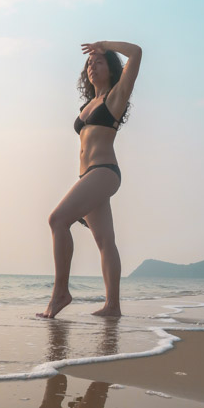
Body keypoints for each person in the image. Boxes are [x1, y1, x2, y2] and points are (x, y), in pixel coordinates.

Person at [36, 40, 142, 319]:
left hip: (104, 171)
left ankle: (61, 293)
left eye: (99, 61)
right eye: (89, 63)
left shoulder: (116, 97)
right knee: (106, 242)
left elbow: (137, 53)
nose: (92, 65)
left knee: (57, 220)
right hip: (89, 175)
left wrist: (103, 44)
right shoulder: (89, 104)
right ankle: (113, 306)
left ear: (111, 68)